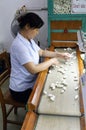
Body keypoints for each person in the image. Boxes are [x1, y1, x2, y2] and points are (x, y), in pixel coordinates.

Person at [9, 12, 70, 104]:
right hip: (21, 89)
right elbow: (33, 69)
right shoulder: (19, 45)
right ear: (27, 26)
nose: (37, 32)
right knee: (47, 99)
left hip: (31, 82)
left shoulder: (28, 40)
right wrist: (52, 61)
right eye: (36, 29)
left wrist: (59, 55)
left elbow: (41, 52)